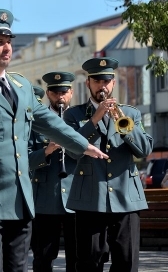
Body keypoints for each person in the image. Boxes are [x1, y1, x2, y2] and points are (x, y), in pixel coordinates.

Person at [0, 9, 108, 272]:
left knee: (17, 268)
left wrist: (82, 144)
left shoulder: (22, 86)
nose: (7, 48)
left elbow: (49, 122)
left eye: (9, 41)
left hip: (20, 200)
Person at [64, 58, 153, 272]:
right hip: (90, 198)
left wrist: (124, 127)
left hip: (126, 196)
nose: (102, 86)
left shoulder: (131, 113)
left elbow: (144, 150)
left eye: (106, 81)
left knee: (127, 261)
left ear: (113, 82)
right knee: (89, 262)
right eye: (97, 81)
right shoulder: (73, 115)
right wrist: (94, 120)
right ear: (88, 83)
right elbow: (72, 152)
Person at [29, 71, 79, 272]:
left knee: (77, 257)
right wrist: (46, 151)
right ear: (48, 93)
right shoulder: (35, 122)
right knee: (43, 257)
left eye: (64, 92)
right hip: (45, 200)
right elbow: (25, 160)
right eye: (55, 92)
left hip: (76, 198)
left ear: (71, 93)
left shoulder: (80, 120)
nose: (60, 97)